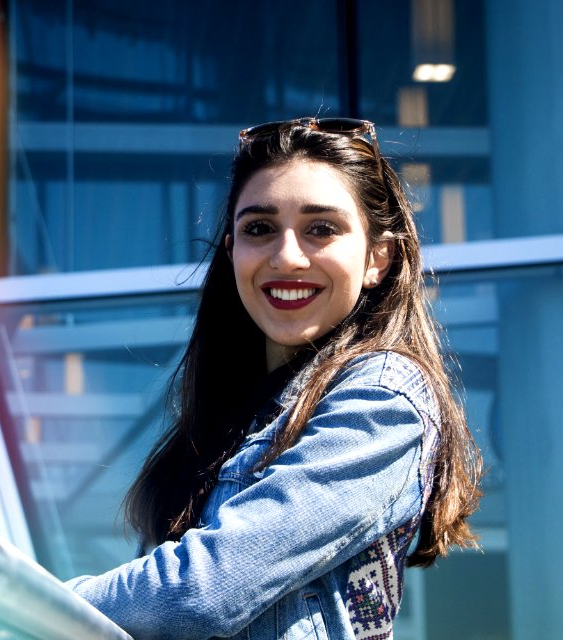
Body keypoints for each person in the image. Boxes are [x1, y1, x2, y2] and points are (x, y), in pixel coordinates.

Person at [67, 117, 483, 639]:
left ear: (379, 257)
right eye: (259, 229)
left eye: (321, 228)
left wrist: (31, 604)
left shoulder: (384, 396)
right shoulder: (226, 418)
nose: (287, 256)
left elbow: (201, 591)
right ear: (231, 250)